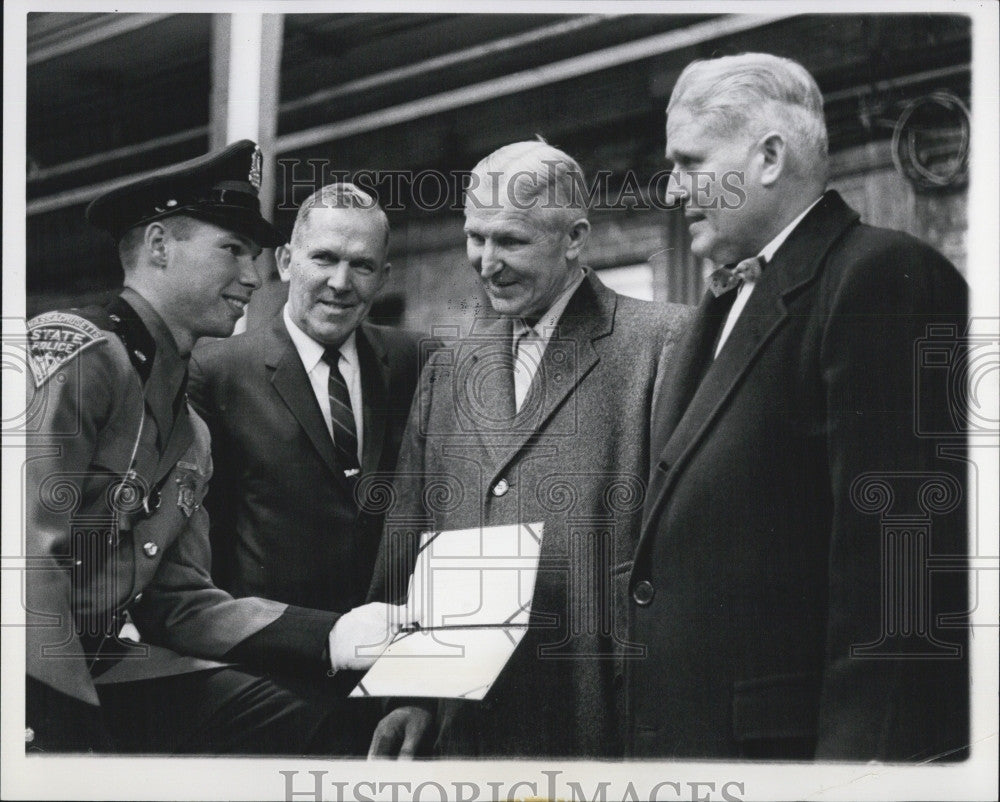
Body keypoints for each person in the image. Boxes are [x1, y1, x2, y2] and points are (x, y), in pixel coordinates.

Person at [628, 53, 969, 760]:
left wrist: (858, 769)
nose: (673, 189)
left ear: (770, 157)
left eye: (690, 162)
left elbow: (898, 570)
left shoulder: (879, 279)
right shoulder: (723, 302)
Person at [24, 141, 404, 754]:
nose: (254, 279)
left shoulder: (189, 432)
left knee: (321, 725)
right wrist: (73, 736)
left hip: (95, 657)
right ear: (157, 247)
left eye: (254, 256)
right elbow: (21, 562)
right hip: (27, 666)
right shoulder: (72, 358)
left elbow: (177, 602)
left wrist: (332, 636)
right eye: (232, 250)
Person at [366, 140, 693, 758]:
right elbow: (405, 539)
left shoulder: (663, 344)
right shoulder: (448, 371)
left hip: (600, 711)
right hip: (470, 726)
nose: (486, 262)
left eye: (510, 241)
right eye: (475, 237)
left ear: (575, 238)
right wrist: (406, 690)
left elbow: (688, 555)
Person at [187, 184, 429, 719]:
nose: (341, 283)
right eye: (325, 258)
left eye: (362, 266)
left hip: (392, 682)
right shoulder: (218, 372)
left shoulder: (418, 361)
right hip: (273, 683)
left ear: (384, 277)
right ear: (285, 261)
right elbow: (207, 549)